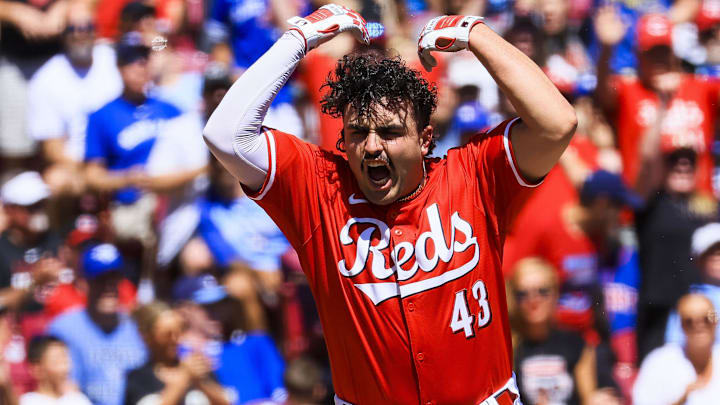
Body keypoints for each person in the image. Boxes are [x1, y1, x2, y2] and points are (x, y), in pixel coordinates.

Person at [203, 4, 577, 404]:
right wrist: (300, 39)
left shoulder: (473, 175)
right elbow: (226, 136)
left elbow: (557, 124)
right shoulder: (319, 188)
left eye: (391, 132)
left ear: (425, 139)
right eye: (358, 132)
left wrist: (475, 33)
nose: (372, 146)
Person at [595, 9, 720, 195]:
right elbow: (603, 94)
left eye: (663, 50)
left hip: (698, 206)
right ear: (638, 55)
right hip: (644, 207)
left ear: (674, 53)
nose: (659, 59)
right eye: (651, 52)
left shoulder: (701, 87)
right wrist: (606, 50)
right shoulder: (629, 90)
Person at [26, 1, 122, 194]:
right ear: (63, 33)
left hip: (126, 154)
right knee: (56, 179)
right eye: (73, 28)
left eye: (88, 27)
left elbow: (159, 45)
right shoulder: (46, 79)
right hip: (79, 164)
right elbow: (52, 148)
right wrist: (94, 172)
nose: (81, 33)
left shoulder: (116, 59)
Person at [48, 243, 147, 405]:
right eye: (100, 279)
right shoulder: (64, 329)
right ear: (83, 282)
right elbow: (64, 389)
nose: (109, 286)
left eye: (114, 278)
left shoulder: (135, 325)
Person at [509, 257, 607, 405]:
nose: (533, 299)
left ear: (556, 293)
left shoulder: (576, 343)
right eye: (523, 293)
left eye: (543, 291)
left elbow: (588, 397)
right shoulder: (509, 348)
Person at [124, 301, 230, 405]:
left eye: (180, 331)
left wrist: (200, 383)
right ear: (146, 337)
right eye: (168, 335)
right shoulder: (138, 379)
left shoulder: (197, 367)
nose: (177, 340)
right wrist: (183, 377)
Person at [633, 293, 720, 405]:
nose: (699, 326)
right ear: (681, 325)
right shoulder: (658, 362)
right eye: (689, 321)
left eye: (707, 319)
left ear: (716, 321)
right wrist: (680, 401)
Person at [0, 172, 63, 311]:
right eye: (32, 207)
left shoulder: (60, 242)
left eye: (42, 205)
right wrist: (34, 283)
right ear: (10, 209)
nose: (39, 212)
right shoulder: (2, 249)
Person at [665, 222, 720, 344]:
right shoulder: (688, 300)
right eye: (711, 252)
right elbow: (674, 344)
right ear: (697, 260)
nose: (717, 256)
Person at [19, 336, 92, 405]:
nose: (66, 368)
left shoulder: (77, 399)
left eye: (66, 361)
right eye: (57, 361)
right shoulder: (27, 401)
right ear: (37, 370)